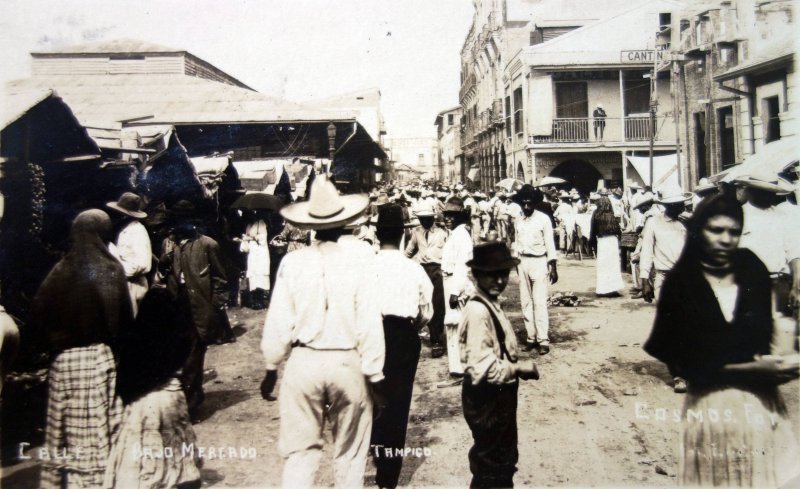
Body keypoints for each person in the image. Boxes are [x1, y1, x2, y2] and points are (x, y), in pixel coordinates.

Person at [643, 191, 800, 487]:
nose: (726, 240)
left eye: (734, 232)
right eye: (716, 230)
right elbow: (689, 367)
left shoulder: (751, 268)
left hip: (760, 405)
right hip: (712, 408)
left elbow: (767, 338)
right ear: (699, 231)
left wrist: (783, 360)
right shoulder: (681, 284)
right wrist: (756, 370)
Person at [259, 175, 385, 488]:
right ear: (345, 223)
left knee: (300, 451)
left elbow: (278, 320)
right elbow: (369, 322)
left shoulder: (293, 262)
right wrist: (375, 376)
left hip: (304, 361)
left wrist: (272, 366)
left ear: (310, 225)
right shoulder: (359, 262)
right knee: (350, 450)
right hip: (346, 362)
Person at [28, 209, 132, 489]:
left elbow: (38, 312)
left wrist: (56, 343)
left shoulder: (61, 269)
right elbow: (124, 322)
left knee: (61, 431)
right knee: (103, 429)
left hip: (64, 362)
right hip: (101, 358)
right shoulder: (111, 268)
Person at [459, 241, 540, 489]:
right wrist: (519, 368)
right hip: (488, 398)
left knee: (502, 461)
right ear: (476, 275)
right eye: (491, 275)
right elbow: (482, 368)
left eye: (503, 274)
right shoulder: (477, 311)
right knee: (493, 465)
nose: (499, 281)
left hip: (500, 396)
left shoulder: (491, 303)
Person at [104, 285, 201, 489]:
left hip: (142, 404)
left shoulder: (135, 340)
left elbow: (124, 383)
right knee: (177, 445)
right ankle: (182, 475)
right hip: (171, 398)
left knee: (141, 457)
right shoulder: (176, 339)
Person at [371, 203, 433, 489]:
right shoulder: (413, 269)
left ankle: (374, 448)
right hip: (402, 337)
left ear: (377, 234)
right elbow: (427, 312)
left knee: (370, 398)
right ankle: (388, 478)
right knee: (398, 405)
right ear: (401, 236)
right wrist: (411, 330)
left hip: (370, 334)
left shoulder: (365, 267)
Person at [162, 200, 229, 420]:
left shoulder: (207, 244)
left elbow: (220, 279)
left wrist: (214, 307)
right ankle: (182, 400)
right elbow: (163, 272)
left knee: (193, 357)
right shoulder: (168, 244)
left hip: (199, 307)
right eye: (179, 221)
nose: (183, 226)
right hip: (175, 305)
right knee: (175, 356)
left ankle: (191, 405)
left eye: (187, 221)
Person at [511, 185, 558, 355]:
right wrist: (516, 261)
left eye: (529, 203)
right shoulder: (518, 219)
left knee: (539, 302)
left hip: (540, 261)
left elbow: (550, 243)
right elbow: (516, 241)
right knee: (525, 302)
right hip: (523, 262)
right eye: (523, 204)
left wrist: (553, 266)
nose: (526, 207)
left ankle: (543, 339)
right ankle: (531, 337)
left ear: (535, 203)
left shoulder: (544, 219)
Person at [405, 202, 448, 358]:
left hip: (438, 270)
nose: (425, 222)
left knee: (438, 304)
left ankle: (437, 340)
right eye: (422, 219)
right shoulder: (416, 232)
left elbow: (449, 252)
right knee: (424, 304)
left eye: (428, 218)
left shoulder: (443, 233)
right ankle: (430, 334)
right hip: (423, 271)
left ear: (433, 218)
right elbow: (408, 252)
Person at [441, 197, 474, 376]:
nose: (448, 219)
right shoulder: (454, 234)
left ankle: (460, 367)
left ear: (460, 217)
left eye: (452, 215)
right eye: (446, 215)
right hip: (450, 280)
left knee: (456, 324)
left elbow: (463, 265)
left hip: (456, 283)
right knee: (453, 324)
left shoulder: (462, 235)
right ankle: (457, 366)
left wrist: (455, 291)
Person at [107, 192, 153, 317]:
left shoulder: (137, 232)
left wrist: (117, 269)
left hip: (133, 285)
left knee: (129, 319)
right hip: (124, 283)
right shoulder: (125, 230)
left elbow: (142, 263)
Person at [590, 196, 624, 296]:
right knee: (613, 265)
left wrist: (592, 243)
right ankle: (613, 288)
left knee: (603, 265)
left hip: (603, 241)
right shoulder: (612, 215)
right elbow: (618, 230)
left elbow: (593, 230)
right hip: (612, 241)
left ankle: (603, 289)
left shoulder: (596, 214)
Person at [239, 210, 271, 310]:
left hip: (260, 252)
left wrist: (251, 237)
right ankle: (254, 300)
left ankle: (260, 300)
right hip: (252, 252)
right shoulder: (249, 225)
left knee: (260, 274)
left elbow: (263, 238)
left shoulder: (261, 223)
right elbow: (246, 238)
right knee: (253, 275)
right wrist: (245, 240)